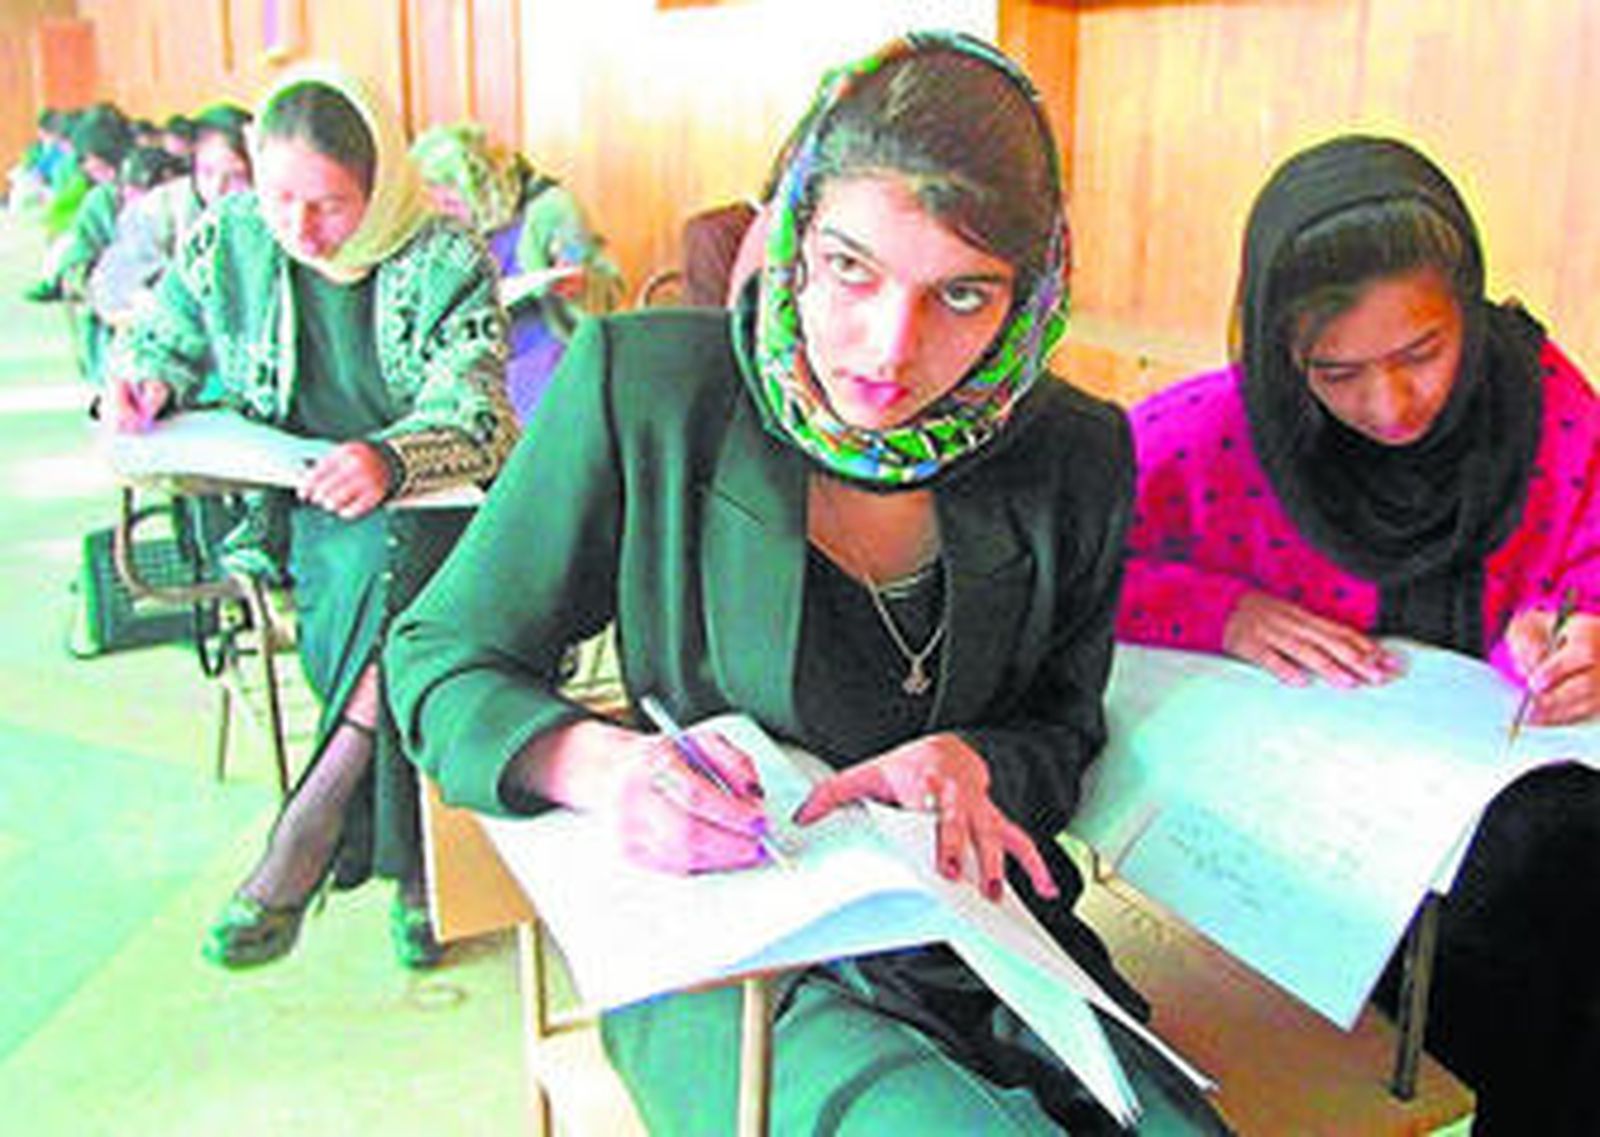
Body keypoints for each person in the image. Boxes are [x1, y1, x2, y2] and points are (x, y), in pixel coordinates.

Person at [388, 31, 1230, 1135]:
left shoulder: (1073, 453)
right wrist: (604, 768)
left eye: (963, 295)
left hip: (981, 939)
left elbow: (1061, 727)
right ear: (790, 234)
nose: (887, 347)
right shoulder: (649, 391)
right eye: (848, 268)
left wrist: (975, 759)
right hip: (728, 958)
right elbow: (439, 658)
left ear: (1030, 293)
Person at [1116, 134, 1599, 1134]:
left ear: (1468, 308)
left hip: (1520, 804)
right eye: (1336, 372)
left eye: (1423, 353)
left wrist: (1583, 623)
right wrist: (1223, 612)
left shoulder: (1541, 401)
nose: (1391, 405)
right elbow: (1051, 556)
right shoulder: (1219, 431)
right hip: (1340, 844)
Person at [106, 62, 519, 971]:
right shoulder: (232, 240)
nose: (299, 227)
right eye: (280, 196)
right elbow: (163, 334)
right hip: (305, 509)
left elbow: (480, 414)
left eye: (329, 204)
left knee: (407, 567)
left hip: (438, 501)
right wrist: (146, 380)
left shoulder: (444, 256)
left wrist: (389, 458)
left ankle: (314, 823)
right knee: (401, 608)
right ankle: (419, 877)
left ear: (379, 185)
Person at [410, 123, 623, 422]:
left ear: (483, 187)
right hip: (476, 372)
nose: (446, 213)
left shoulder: (554, 211)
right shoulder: (442, 228)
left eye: (452, 202)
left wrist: (579, 284)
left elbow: (605, 285)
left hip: (546, 366)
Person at [88, 103, 253, 334]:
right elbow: (113, 285)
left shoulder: (272, 212)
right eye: (207, 172)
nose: (218, 188)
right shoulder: (161, 210)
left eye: (236, 177)